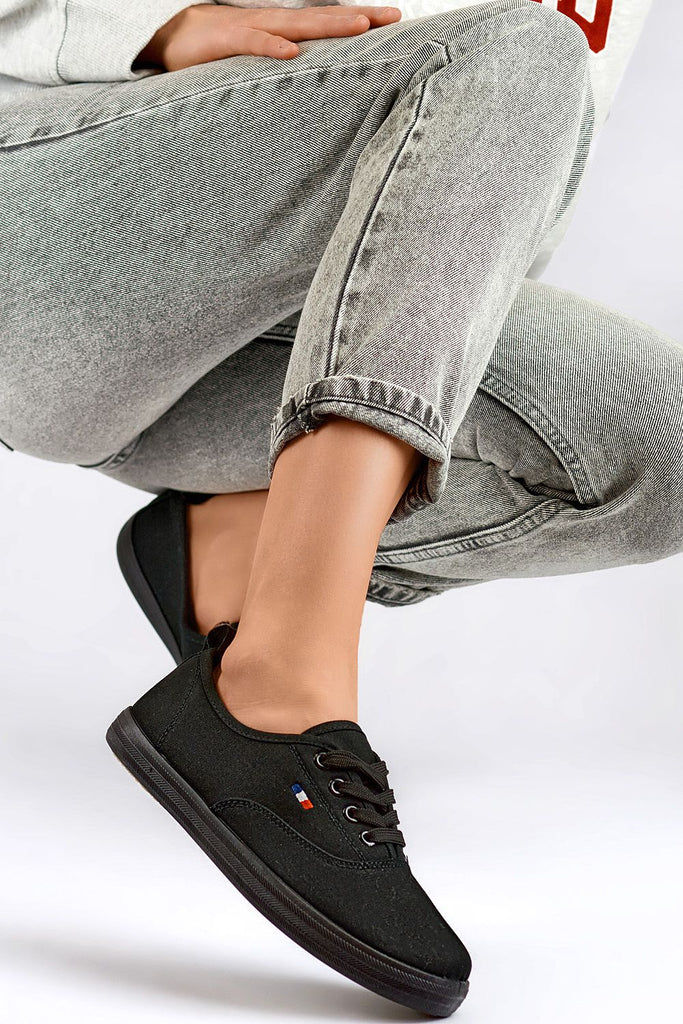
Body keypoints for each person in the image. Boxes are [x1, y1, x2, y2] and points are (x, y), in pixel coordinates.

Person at [1, 0, 680, 1016]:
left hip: (269, 329)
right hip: (54, 213)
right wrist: (144, 25)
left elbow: (488, 181)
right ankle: (274, 686)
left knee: (653, 448)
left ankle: (231, 545)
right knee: (514, 50)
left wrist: (410, 337)